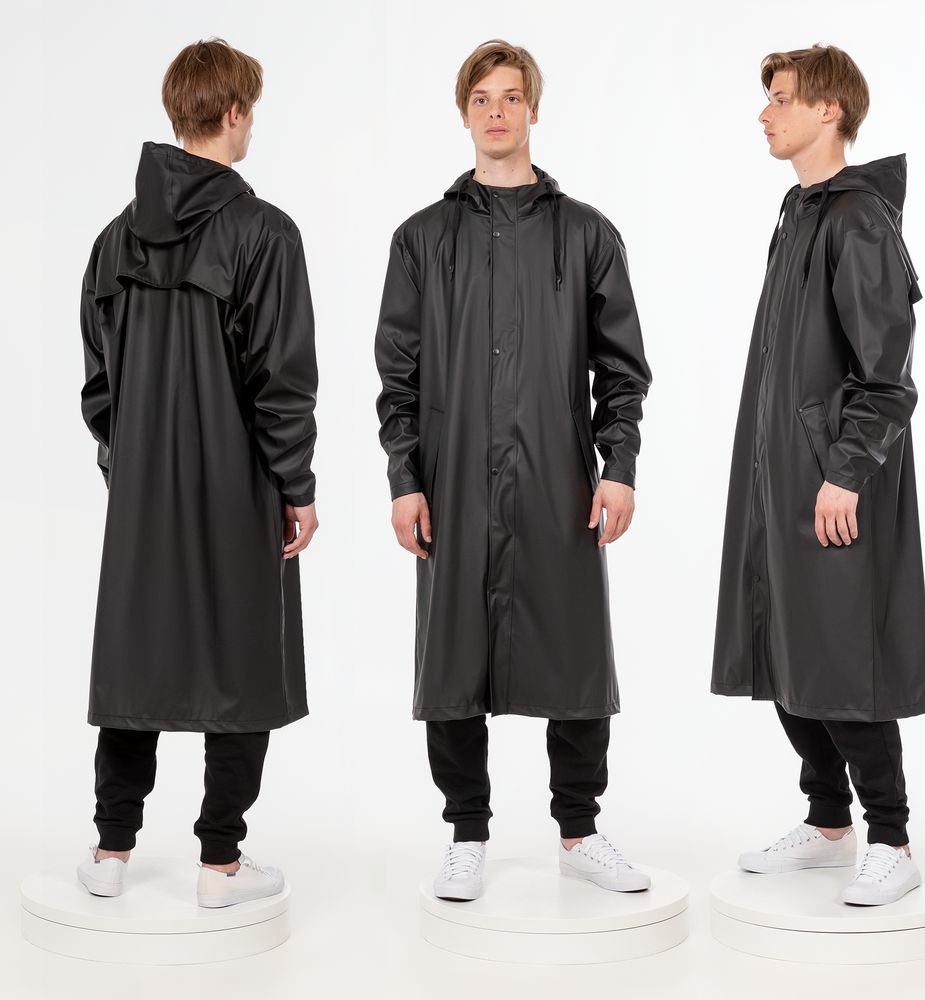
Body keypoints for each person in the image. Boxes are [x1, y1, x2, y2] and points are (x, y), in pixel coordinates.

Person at [375, 39, 653, 901]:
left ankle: (580, 829)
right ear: (464, 113)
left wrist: (619, 465)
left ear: (534, 109)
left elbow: (622, 368)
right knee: (453, 658)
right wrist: (404, 478)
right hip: (454, 480)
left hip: (556, 481)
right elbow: (398, 375)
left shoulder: (586, 234)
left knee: (575, 656)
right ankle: (466, 833)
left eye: (511, 96)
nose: (496, 112)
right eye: (482, 98)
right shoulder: (423, 239)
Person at [76, 38, 319, 908]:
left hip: (142, 493)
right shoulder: (265, 233)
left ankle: (110, 852)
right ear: (236, 112)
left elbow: (99, 384)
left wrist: (134, 460)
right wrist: (296, 486)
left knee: (135, 657)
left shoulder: (112, 241)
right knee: (241, 658)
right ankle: (221, 864)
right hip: (238, 487)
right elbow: (282, 380)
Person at [711, 44, 925, 906]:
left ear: (828, 110)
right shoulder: (800, 211)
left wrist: (846, 471)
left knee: (842, 657)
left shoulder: (859, 220)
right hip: (780, 476)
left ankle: (893, 838)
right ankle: (829, 820)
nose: (765, 113)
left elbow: (887, 375)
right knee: (783, 646)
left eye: (781, 98)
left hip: (835, 484)